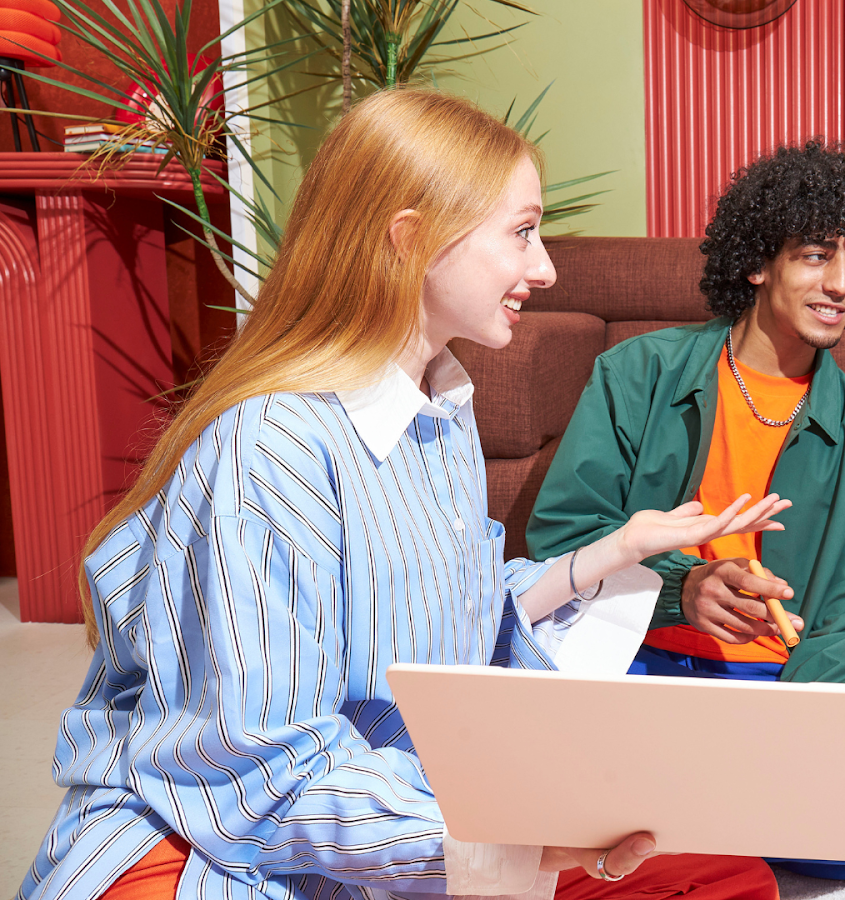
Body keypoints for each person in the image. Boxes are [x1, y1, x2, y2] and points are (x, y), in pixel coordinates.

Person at [15, 87, 787, 900]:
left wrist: (615, 551)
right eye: (522, 232)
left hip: (385, 811)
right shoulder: (271, 448)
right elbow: (259, 772)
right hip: (228, 846)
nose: (546, 266)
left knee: (727, 872)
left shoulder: (440, 409)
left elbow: (458, 617)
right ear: (410, 239)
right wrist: (506, 843)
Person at [528, 140, 845, 879]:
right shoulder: (636, 374)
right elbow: (562, 540)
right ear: (758, 262)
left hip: (774, 699)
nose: (840, 283)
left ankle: (688, 824)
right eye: (815, 255)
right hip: (634, 672)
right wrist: (682, 589)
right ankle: (753, 819)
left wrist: (813, 728)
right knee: (522, 750)